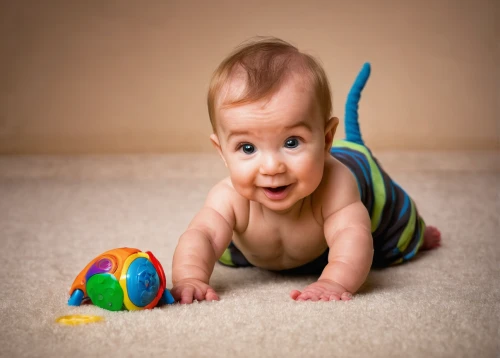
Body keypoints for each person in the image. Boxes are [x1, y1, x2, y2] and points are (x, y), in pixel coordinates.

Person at [171, 36, 441, 303]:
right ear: (222, 152)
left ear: (326, 140)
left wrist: (333, 281)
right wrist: (190, 277)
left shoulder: (337, 186)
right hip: (259, 252)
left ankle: (419, 234)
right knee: (224, 250)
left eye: (291, 142)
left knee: (393, 232)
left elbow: (352, 236)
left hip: (363, 183)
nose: (271, 166)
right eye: (247, 148)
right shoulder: (228, 197)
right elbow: (202, 236)